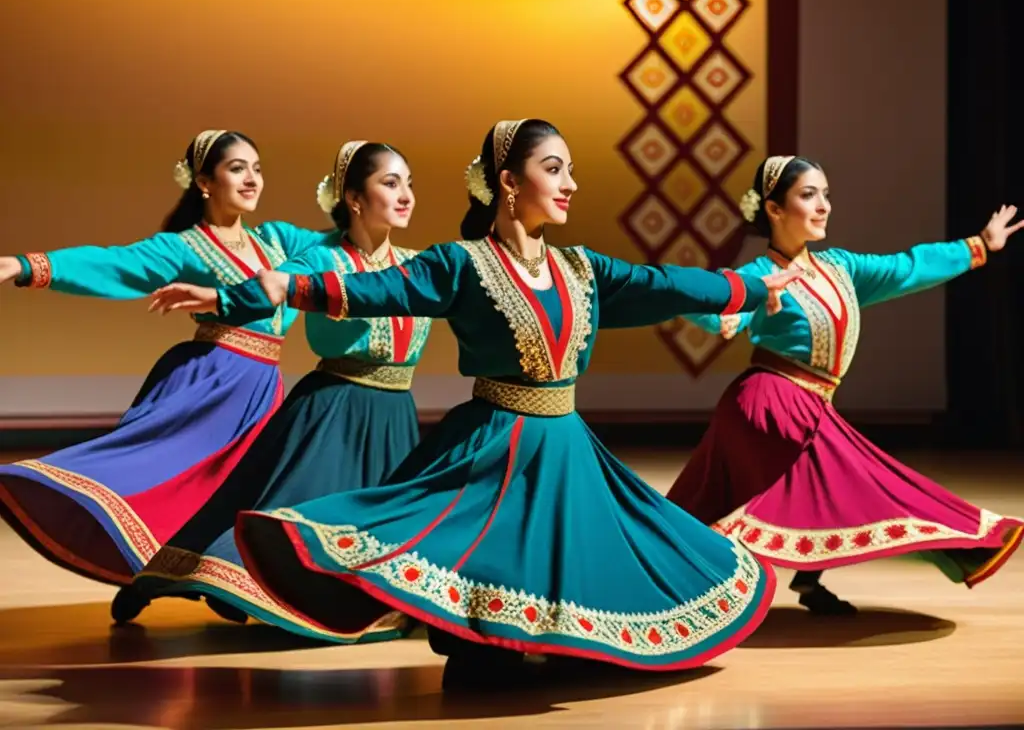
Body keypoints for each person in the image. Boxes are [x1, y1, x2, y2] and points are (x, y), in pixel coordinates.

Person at [151, 119, 800, 684]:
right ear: (509, 183)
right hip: (496, 439)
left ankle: (555, 640)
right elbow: (378, 290)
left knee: (587, 554)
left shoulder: (582, 268)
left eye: (570, 170)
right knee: (482, 551)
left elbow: (662, 284)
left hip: (566, 441)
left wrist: (744, 288)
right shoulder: (462, 264)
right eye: (554, 169)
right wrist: (278, 287)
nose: (570, 182)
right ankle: (475, 639)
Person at [664, 154, 1024, 615]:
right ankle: (729, 590)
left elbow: (907, 267)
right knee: (845, 480)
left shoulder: (841, 268)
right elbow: (705, 302)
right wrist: (735, 295)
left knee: (821, 486)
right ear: (774, 209)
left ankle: (784, 584)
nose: (824, 206)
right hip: (770, 402)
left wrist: (978, 246)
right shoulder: (759, 275)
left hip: (808, 402)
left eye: (826, 195)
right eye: (808, 195)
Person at [111, 141, 431, 641]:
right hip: (336, 411)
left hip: (395, 417)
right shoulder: (322, 256)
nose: (406, 194)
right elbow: (271, 286)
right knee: (282, 525)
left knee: (377, 534)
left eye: (409, 183)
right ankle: (181, 581)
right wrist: (219, 296)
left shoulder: (419, 263)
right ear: (353, 197)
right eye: (391, 183)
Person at [0, 131, 331, 611]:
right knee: (171, 480)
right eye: (237, 168)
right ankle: (146, 580)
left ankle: (212, 581)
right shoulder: (186, 248)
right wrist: (24, 265)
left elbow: (337, 248)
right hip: (213, 385)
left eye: (257, 168)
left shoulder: (279, 240)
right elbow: (116, 262)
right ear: (203, 181)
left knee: (239, 492)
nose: (252, 179)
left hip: (262, 387)